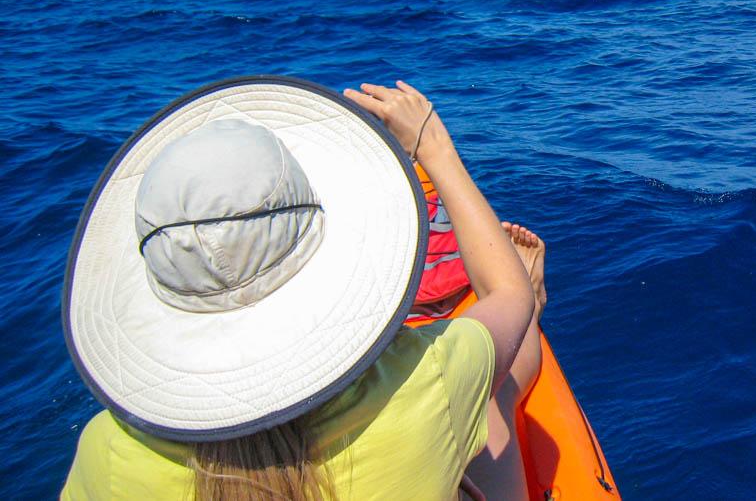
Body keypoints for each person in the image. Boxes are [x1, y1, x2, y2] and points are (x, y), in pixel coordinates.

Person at [61, 77, 547, 500]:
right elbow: (508, 294)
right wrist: (434, 146)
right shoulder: (420, 386)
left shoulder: (108, 451)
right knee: (491, 397)